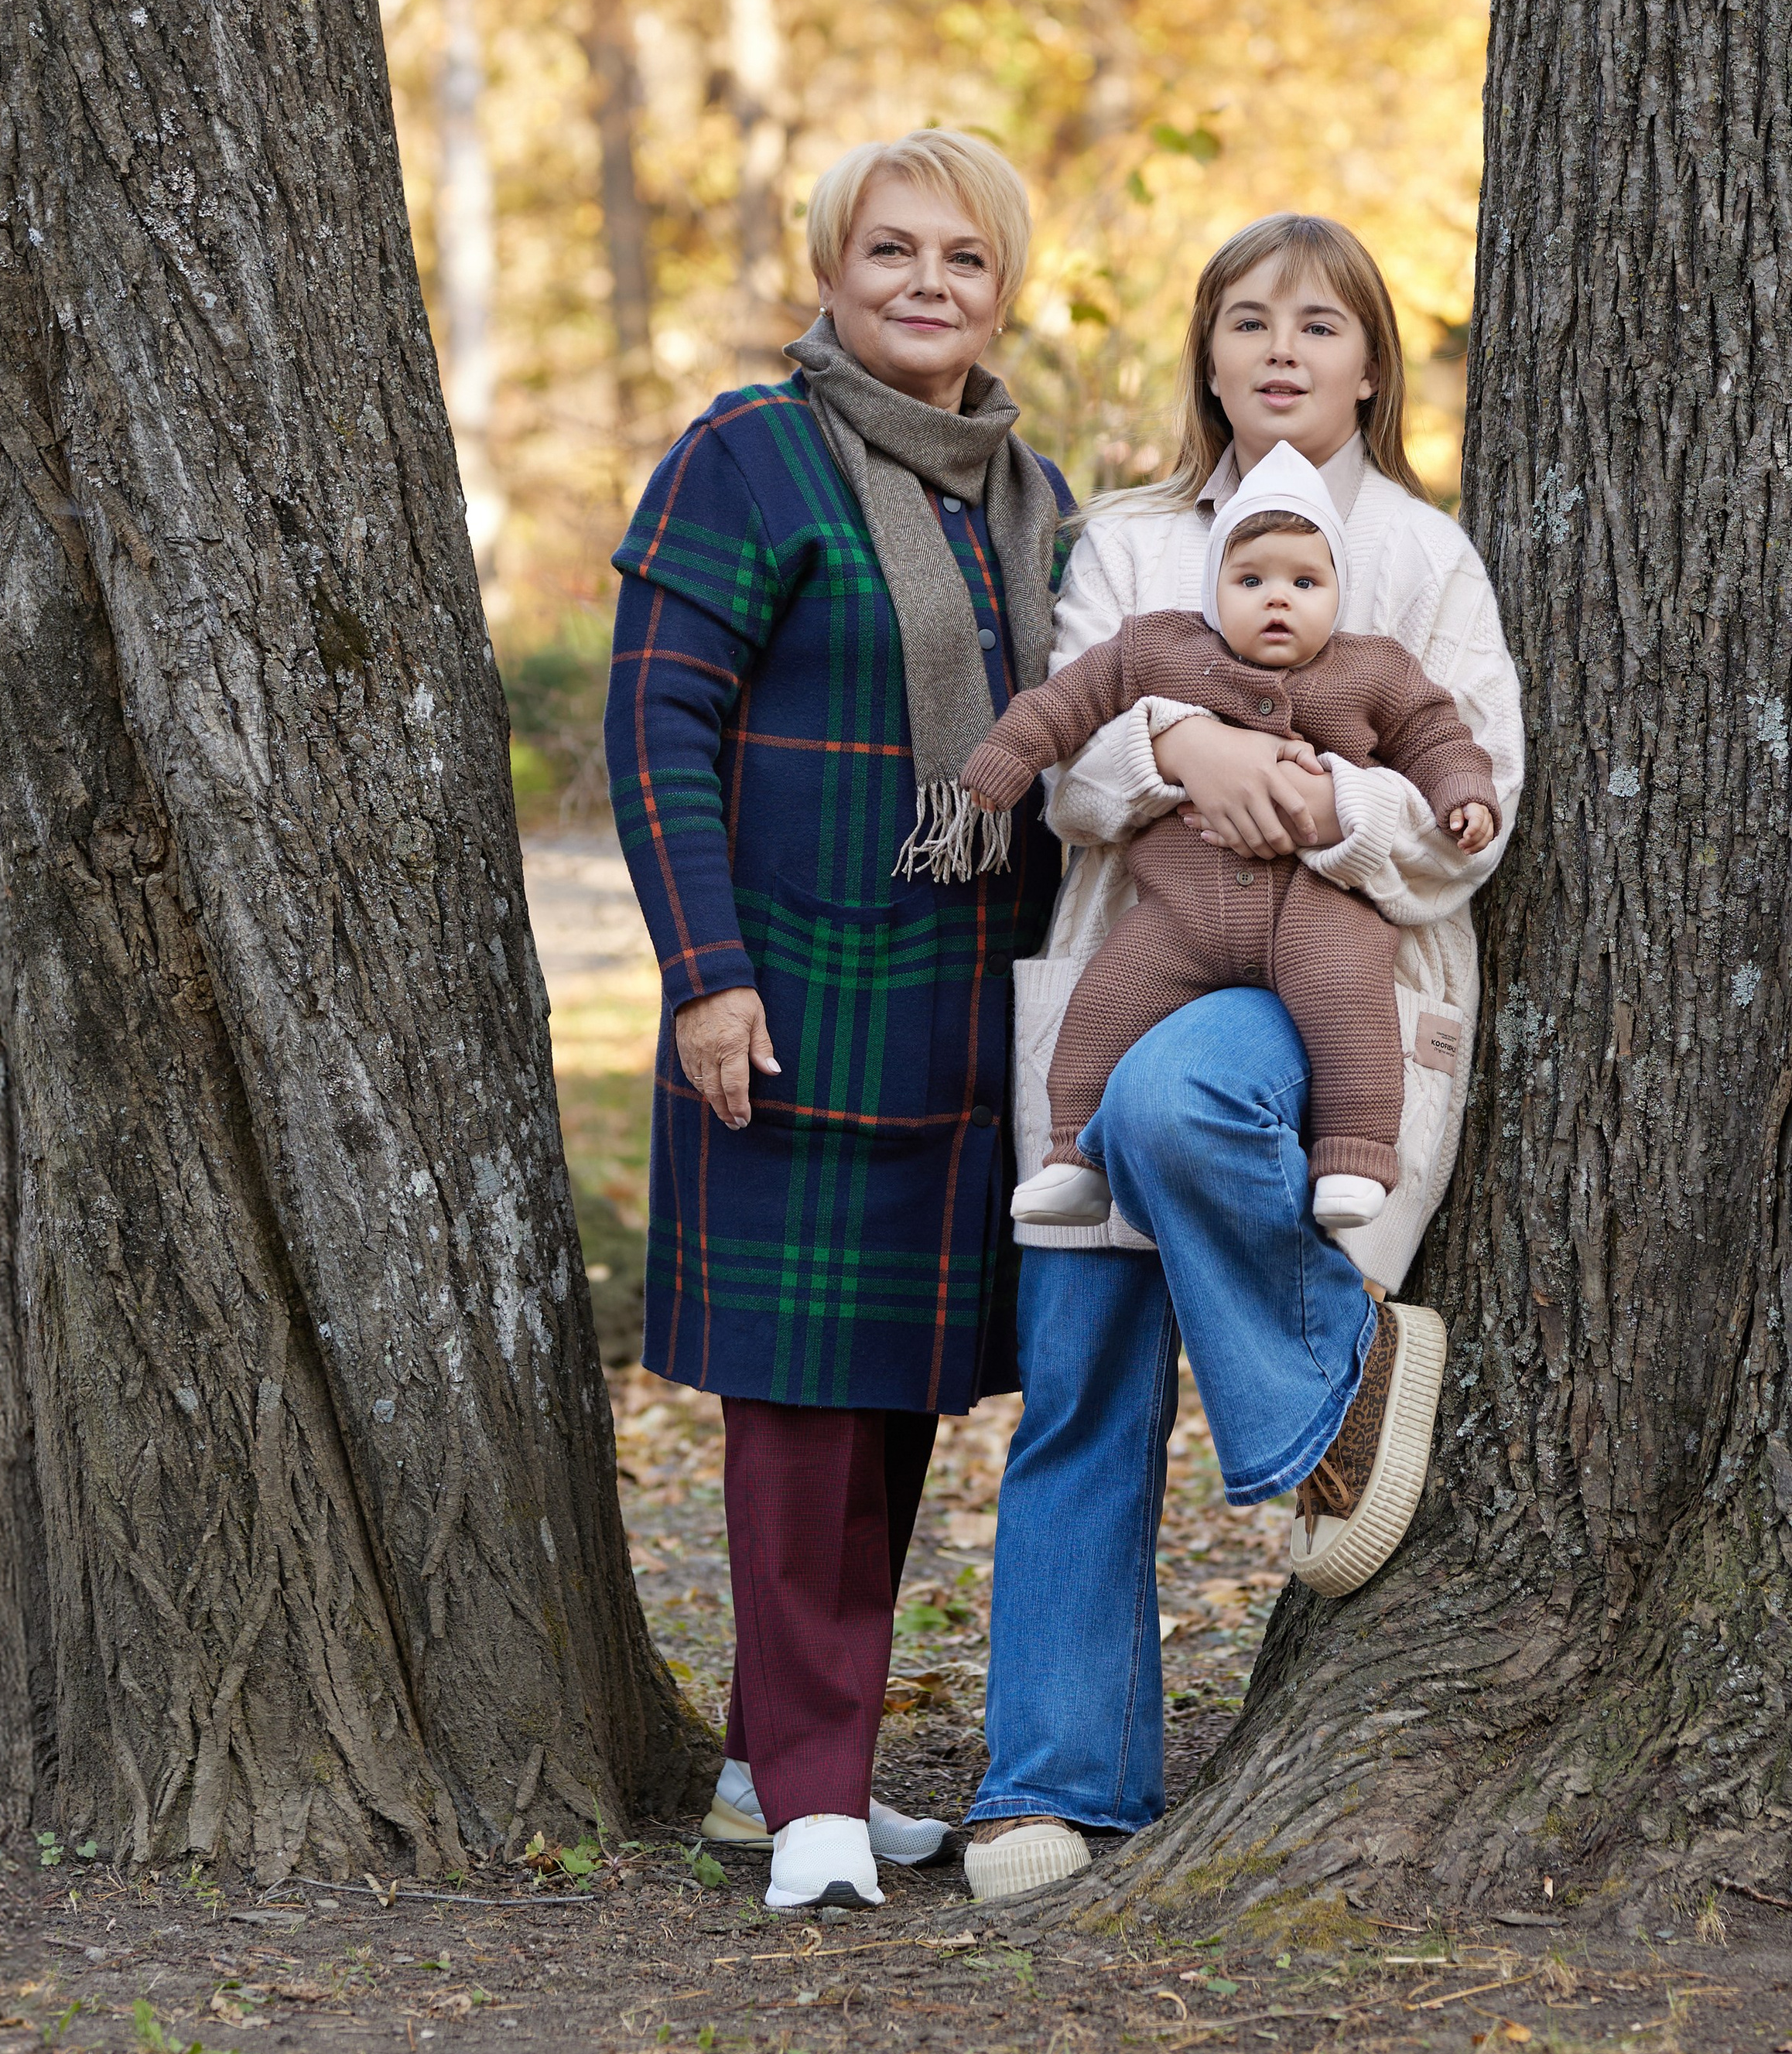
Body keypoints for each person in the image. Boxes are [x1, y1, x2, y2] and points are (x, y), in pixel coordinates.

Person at [963, 210, 1524, 1905]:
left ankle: (1311, 1396)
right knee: (1077, 1375)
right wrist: (1182, 742)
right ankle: (1054, 1776)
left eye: (1321, 326)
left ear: (1371, 365)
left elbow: (1467, 796)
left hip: (1320, 989)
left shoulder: (1422, 558)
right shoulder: (1127, 544)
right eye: (1246, 323)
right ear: (1204, 356)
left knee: (1179, 1095)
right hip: (1127, 956)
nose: (1281, 351)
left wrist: (1317, 799)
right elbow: (1067, 765)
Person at [604, 130, 1070, 1915]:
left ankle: (775, 1760)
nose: (927, 280)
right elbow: (655, 731)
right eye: (890, 248)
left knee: (894, 1402)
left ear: (1000, 283)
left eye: (964, 253)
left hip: (968, 1030)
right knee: (798, 1412)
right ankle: (810, 1797)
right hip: (794, 1001)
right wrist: (707, 972)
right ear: (827, 263)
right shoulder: (747, 456)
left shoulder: (1024, 493)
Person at [960, 439, 1499, 1234]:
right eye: (1251, 581)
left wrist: (1464, 792)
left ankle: (1354, 1155)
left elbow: (1436, 736)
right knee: (1105, 1001)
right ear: (1213, 589)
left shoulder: (1373, 669)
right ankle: (1075, 1154)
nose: (1277, 599)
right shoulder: (1158, 648)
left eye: (1304, 583)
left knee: (1350, 1005)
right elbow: (1064, 703)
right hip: (1180, 908)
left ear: (1337, 593)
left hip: (1319, 900)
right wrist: (1007, 753)